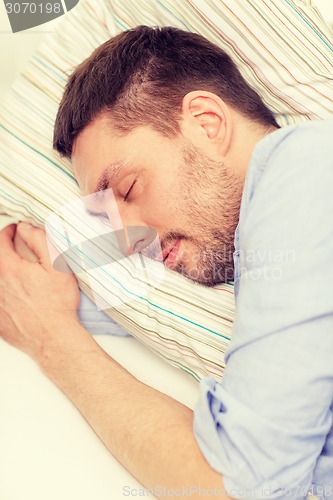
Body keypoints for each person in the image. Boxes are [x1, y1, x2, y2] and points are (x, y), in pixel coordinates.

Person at [0, 26, 332, 499]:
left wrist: (54, 343)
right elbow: (49, 286)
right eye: (108, 220)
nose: (129, 238)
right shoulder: (236, 250)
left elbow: (244, 489)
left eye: (129, 190)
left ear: (206, 122)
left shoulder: (306, 170)